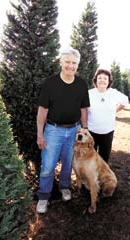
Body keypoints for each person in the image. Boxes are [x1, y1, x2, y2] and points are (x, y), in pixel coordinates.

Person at [36, 47, 90, 213]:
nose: (71, 66)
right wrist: (40, 134)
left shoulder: (81, 84)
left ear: (77, 66)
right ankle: (44, 196)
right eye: (67, 62)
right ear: (61, 62)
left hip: (74, 130)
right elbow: (42, 111)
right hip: (53, 131)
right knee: (48, 166)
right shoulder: (50, 83)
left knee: (68, 163)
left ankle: (65, 187)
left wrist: (85, 129)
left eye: (74, 63)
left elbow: (83, 109)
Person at [87, 68, 129, 163]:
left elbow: (125, 101)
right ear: (95, 80)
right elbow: (83, 109)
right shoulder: (89, 93)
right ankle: (89, 177)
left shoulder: (113, 93)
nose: (102, 80)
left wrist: (115, 110)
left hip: (107, 132)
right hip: (91, 132)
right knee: (89, 158)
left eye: (105, 78)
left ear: (109, 81)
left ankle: (101, 176)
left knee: (104, 159)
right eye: (99, 78)